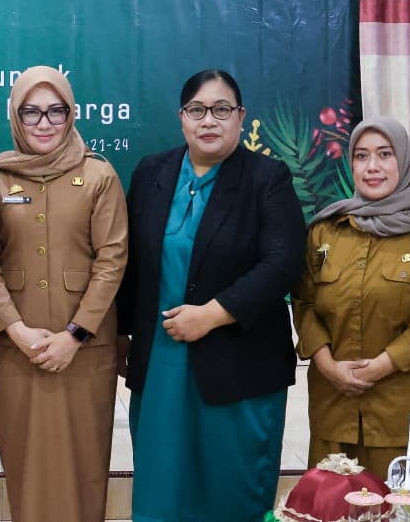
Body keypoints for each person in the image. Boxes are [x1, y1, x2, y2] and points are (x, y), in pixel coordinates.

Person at [117, 68, 305, 522]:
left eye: (221, 110)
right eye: (197, 110)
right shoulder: (151, 172)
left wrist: (213, 315)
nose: (208, 120)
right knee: (163, 483)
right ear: (181, 117)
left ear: (241, 117)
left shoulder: (267, 178)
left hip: (237, 358)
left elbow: (282, 262)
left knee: (230, 487)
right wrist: (121, 335)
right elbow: (129, 261)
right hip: (162, 360)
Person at [0, 66, 127, 522]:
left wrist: (74, 335)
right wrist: (17, 331)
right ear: (15, 117)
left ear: (71, 114)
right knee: (25, 460)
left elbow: (112, 259)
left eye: (55, 111)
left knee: (84, 461)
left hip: (85, 352)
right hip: (17, 351)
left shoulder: (99, 175)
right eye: (31, 112)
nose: (44, 123)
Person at [292, 116, 410, 477]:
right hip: (334, 408)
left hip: (405, 415)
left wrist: (381, 365)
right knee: (331, 501)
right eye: (361, 156)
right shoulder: (325, 231)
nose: (372, 166)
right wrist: (327, 366)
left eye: (385, 154)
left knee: (405, 504)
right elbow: (304, 304)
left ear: (404, 160)